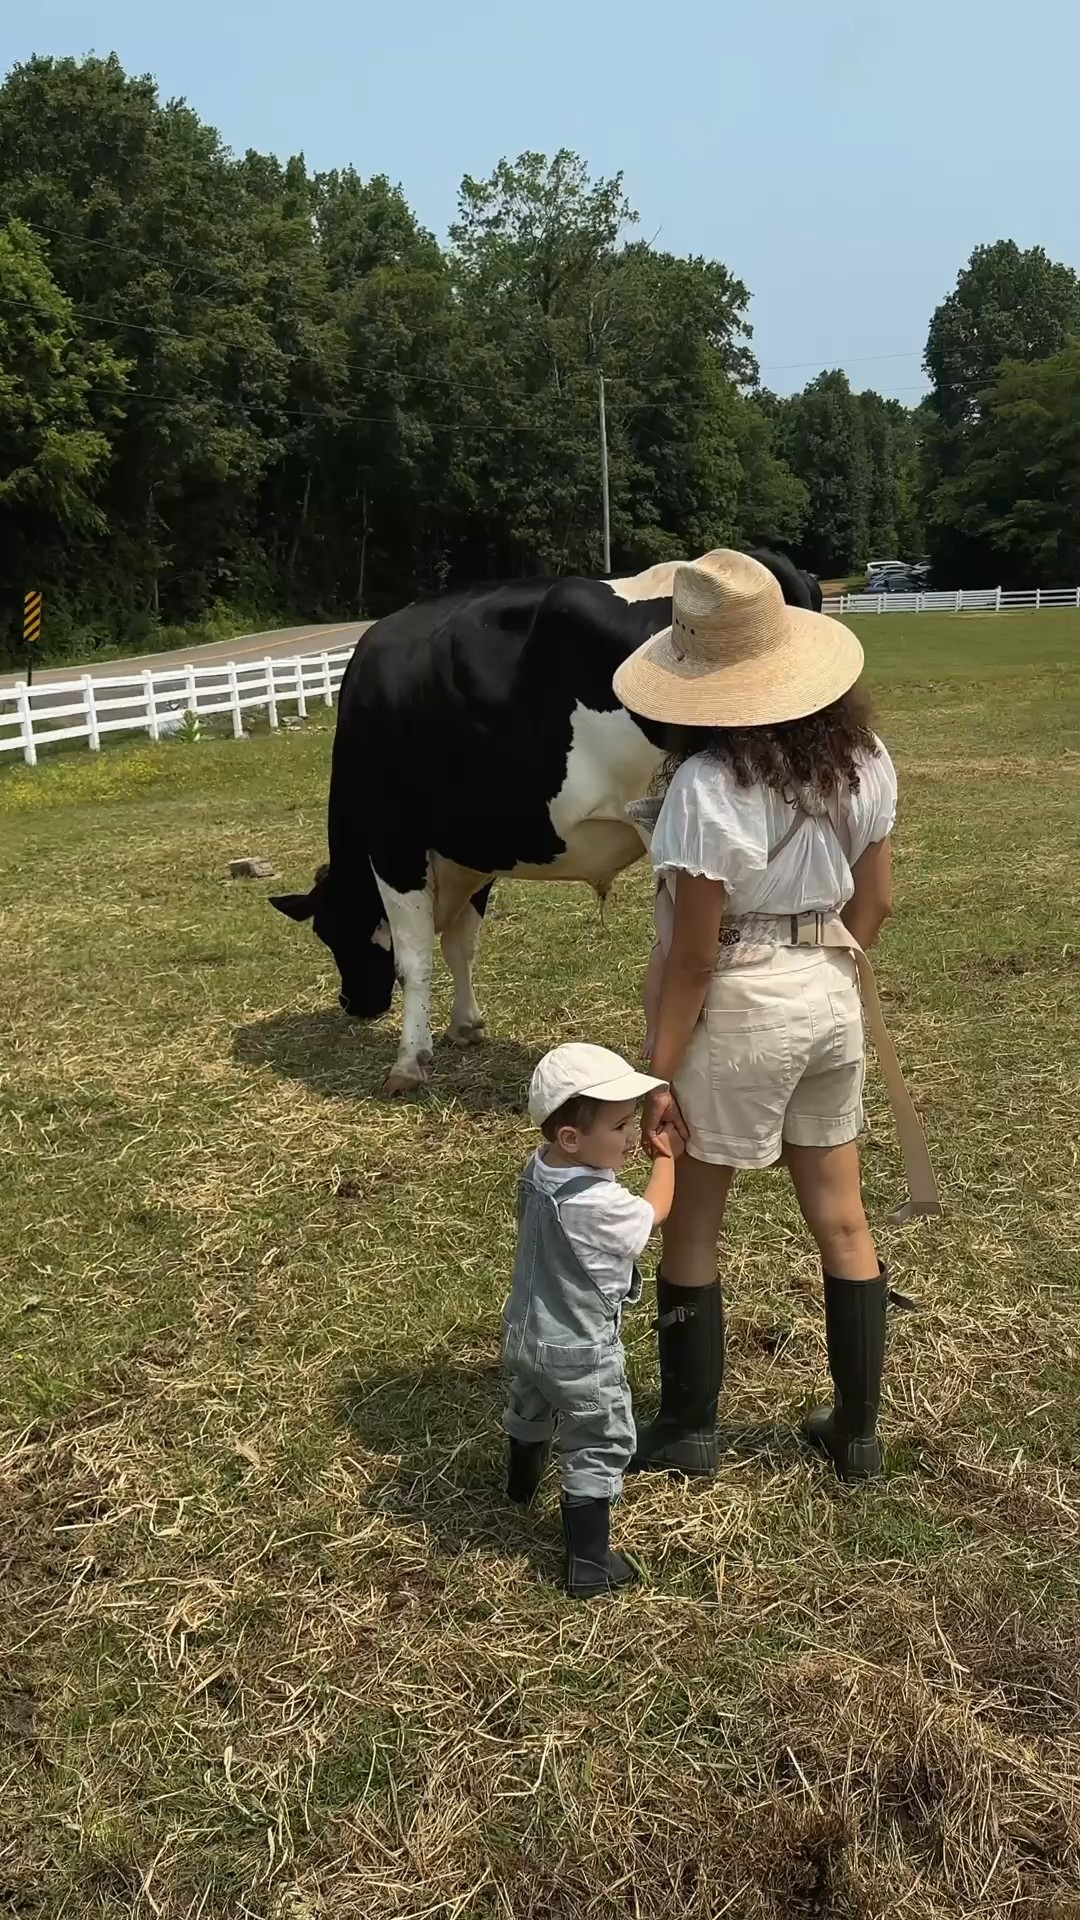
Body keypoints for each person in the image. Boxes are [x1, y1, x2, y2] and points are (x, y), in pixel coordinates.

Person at [612, 551, 939, 1484]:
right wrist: (827, 971)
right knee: (843, 1218)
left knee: (693, 1229)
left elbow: (693, 955)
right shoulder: (865, 759)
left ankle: (688, 1428)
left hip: (745, 1000)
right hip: (831, 991)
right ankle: (858, 1431)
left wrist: (657, 1070)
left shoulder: (706, 787)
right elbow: (874, 904)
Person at [502, 1043, 684, 1596]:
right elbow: (651, 1217)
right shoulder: (599, 1204)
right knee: (598, 1438)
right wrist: (667, 1159)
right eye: (622, 1126)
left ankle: (519, 1486)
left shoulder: (540, 1170)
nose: (632, 1135)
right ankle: (589, 1562)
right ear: (571, 1139)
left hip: (524, 1331)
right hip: (579, 1348)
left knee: (530, 1402)